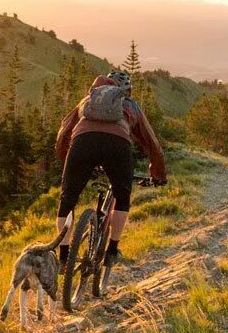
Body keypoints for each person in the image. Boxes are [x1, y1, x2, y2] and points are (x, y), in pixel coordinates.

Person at [54, 70, 167, 273]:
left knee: (67, 199)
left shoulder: (86, 101)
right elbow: (151, 143)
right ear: (126, 91)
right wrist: (158, 174)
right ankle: (112, 251)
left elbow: (64, 132)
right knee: (122, 196)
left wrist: (67, 161)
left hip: (82, 144)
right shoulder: (130, 105)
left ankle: (63, 256)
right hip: (117, 146)